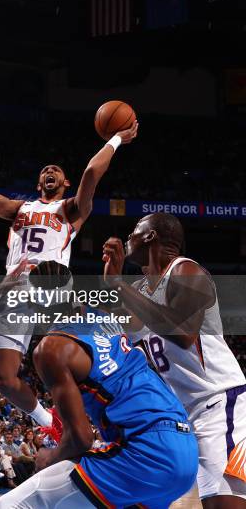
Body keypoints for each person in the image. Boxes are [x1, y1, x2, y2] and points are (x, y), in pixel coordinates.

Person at [0, 121, 138, 433]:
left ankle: (117, 415)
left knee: (84, 356)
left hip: (51, 287)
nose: (49, 172)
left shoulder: (70, 209)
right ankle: (50, 421)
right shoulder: (21, 207)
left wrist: (116, 139)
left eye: (55, 170)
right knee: (2, 378)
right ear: (38, 181)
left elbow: (91, 174)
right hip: (16, 290)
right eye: (45, 169)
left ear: (65, 182)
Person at [0, 260, 198, 509]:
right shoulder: (103, 315)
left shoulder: (51, 349)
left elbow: (80, 439)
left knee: (11, 504)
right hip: (184, 444)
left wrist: (50, 456)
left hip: (144, 450)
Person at [102, 212, 246, 508]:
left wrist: (118, 284)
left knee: (223, 503)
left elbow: (182, 333)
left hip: (218, 403)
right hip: (178, 413)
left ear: (151, 236)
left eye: (134, 230)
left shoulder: (186, 271)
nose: (129, 237)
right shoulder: (142, 289)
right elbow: (125, 328)